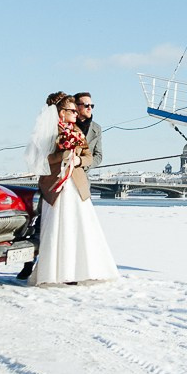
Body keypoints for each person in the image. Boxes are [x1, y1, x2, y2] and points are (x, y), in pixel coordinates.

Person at [22, 91, 118, 285]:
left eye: (77, 110)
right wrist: (64, 155)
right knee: (59, 228)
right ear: (61, 112)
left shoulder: (77, 131)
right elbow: (42, 160)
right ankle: (54, 270)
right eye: (73, 110)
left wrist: (78, 160)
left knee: (81, 228)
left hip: (77, 185)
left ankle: (82, 270)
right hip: (57, 186)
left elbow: (90, 156)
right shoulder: (49, 132)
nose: (77, 113)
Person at [73, 91, 102, 171]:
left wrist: (82, 163)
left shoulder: (96, 129)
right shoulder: (66, 125)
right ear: (76, 107)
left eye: (92, 106)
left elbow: (98, 156)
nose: (90, 108)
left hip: (83, 174)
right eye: (86, 105)